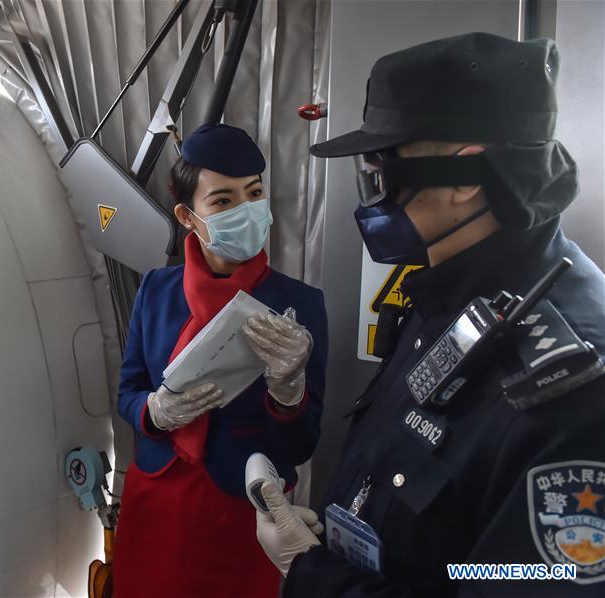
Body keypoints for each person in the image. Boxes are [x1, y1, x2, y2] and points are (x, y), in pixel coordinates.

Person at [256, 32, 605, 596]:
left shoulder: (569, 389)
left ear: (465, 179)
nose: (370, 188)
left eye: (381, 164)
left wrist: (311, 574)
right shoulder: (449, 289)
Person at [112, 123, 328, 597]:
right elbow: (128, 392)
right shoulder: (155, 291)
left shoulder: (299, 305)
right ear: (188, 217)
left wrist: (288, 395)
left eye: (254, 194)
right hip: (159, 496)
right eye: (224, 201)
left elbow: (301, 445)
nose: (247, 211)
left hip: (248, 508)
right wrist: (154, 411)